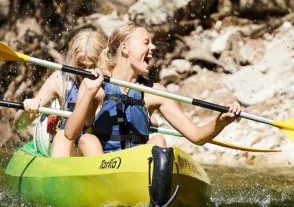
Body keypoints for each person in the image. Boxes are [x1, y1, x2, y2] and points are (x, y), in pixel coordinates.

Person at [64, 23, 242, 156]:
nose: (153, 47)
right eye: (146, 43)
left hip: (136, 167)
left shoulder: (155, 93)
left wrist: (221, 121)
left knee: (158, 140)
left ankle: (153, 198)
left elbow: (196, 136)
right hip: (101, 165)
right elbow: (71, 133)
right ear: (125, 49)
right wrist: (88, 92)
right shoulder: (96, 85)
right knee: (88, 140)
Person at [19, 29, 106, 157]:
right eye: (81, 66)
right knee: (62, 136)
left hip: (97, 147)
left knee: (89, 139)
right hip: (68, 147)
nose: (87, 73)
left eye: (92, 66)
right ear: (73, 61)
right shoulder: (60, 80)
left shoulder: (112, 82)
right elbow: (19, 124)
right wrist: (27, 110)